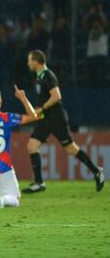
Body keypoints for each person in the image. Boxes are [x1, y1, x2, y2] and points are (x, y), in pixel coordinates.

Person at [22, 50, 105, 193]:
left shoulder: (48, 75)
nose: (28, 63)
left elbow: (56, 96)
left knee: (70, 148)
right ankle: (39, 182)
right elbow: (43, 100)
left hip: (56, 118)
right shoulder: (38, 78)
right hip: (45, 119)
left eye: (30, 60)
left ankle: (97, 171)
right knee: (32, 146)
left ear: (36, 61)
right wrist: (36, 110)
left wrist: (40, 108)